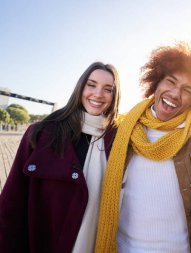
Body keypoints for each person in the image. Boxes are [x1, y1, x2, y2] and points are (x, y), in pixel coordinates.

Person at [93, 41, 191, 252]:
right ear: (156, 83)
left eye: (187, 90)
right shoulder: (124, 129)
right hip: (124, 247)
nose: (175, 94)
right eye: (170, 82)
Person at [0, 62, 121, 253]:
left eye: (108, 89)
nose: (98, 94)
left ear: (115, 96)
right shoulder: (41, 133)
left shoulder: (118, 142)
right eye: (91, 85)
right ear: (80, 87)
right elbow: (12, 201)